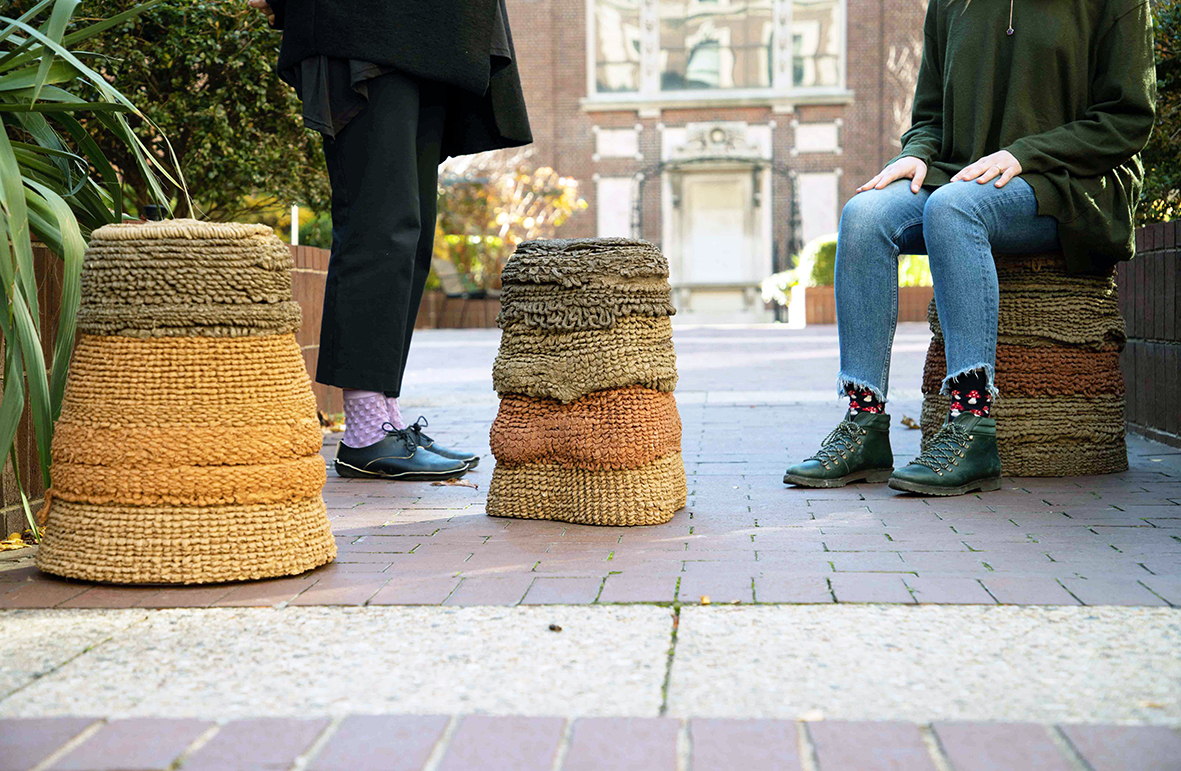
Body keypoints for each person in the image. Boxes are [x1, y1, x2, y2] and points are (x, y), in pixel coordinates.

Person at [784, 0, 1155, 496]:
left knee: (954, 209)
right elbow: (930, 114)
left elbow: (1128, 120)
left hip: (1069, 181)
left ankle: (972, 427)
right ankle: (864, 424)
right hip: (963, 177)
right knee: (866, 215)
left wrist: (1023, 154)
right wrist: (916, 154)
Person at [249, 0, 532, 480]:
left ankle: (386, 417)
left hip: (431, 41)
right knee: (378, 225)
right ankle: (363, 433)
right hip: (364, 28)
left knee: (409, 233)